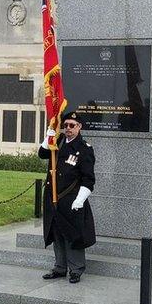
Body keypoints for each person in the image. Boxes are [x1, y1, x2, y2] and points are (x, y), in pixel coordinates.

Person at [38, 112, 96, 284]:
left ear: (79, 127)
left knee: (72, 234)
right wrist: (47, 139)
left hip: (71, 198)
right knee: (56, 232)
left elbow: (88, 179)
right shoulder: (58, 141)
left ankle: (76, 269)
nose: (68, 128)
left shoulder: (84, 149)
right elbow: (42, 154)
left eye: (72, 125)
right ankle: (60, 267)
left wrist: (80, 199)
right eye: (66, 125)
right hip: (53, 196)